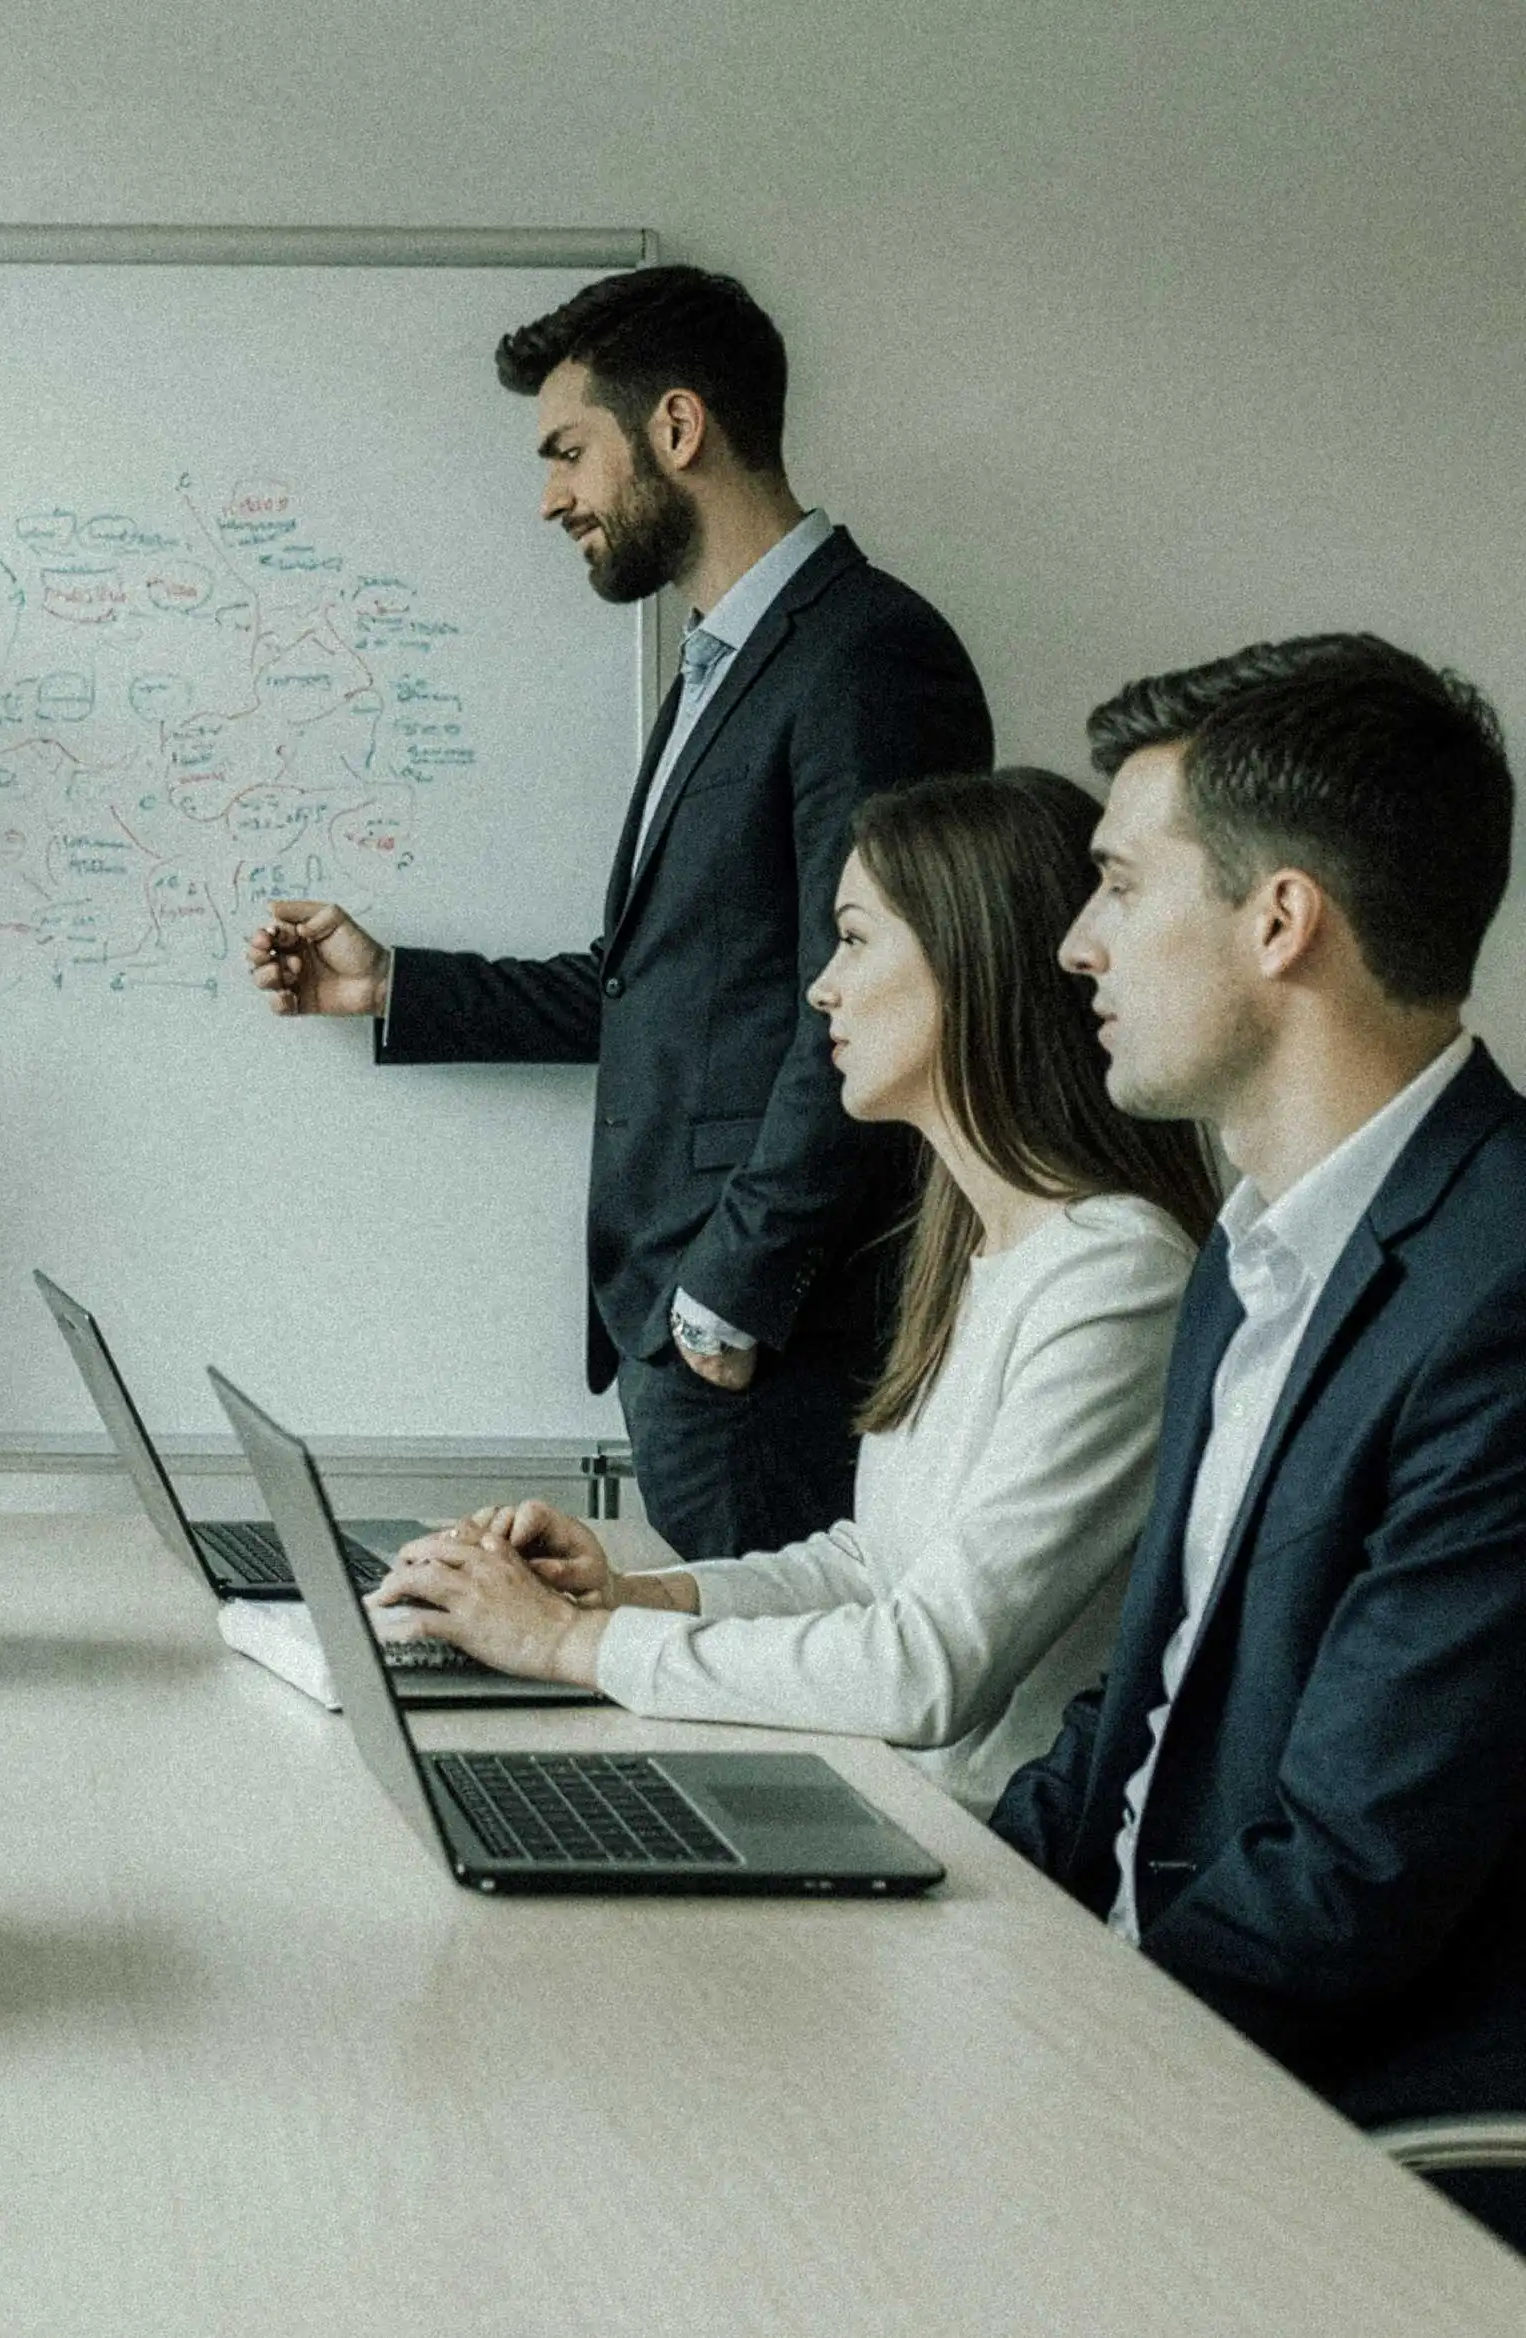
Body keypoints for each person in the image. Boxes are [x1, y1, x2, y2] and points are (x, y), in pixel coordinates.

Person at [245, 266, 992, 1559]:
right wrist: (385, 986)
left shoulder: (868, 658)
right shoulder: (726, 663)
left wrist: (727, 1303)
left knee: (777, 1728)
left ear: (679, 429)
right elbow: (653, 982)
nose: (550, 499)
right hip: (694, 1341)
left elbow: (885, 1001)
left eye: (568, 452)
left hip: (772, 1348)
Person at [366, 770, 1216, 1815]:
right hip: (891, 1807)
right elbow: (873, 1566)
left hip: (991, 1866)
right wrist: (633, 1594)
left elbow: (925, 1668)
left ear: (972, 964)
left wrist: (572, 1643)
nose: (820, 986)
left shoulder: (1114, 1275)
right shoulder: (972, 1242)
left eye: (854, 940)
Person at [989, 638, 1526, 2218]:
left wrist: (1031, 2042)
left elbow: (1353, 1878)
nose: (1079, 944)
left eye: (1120, 885)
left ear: (1281, 918)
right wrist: (934, 1902)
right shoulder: (1257, 1241)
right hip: (1172, 2031)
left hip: (1334, 2123)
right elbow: (1145, 1707)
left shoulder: (1501, 1287)